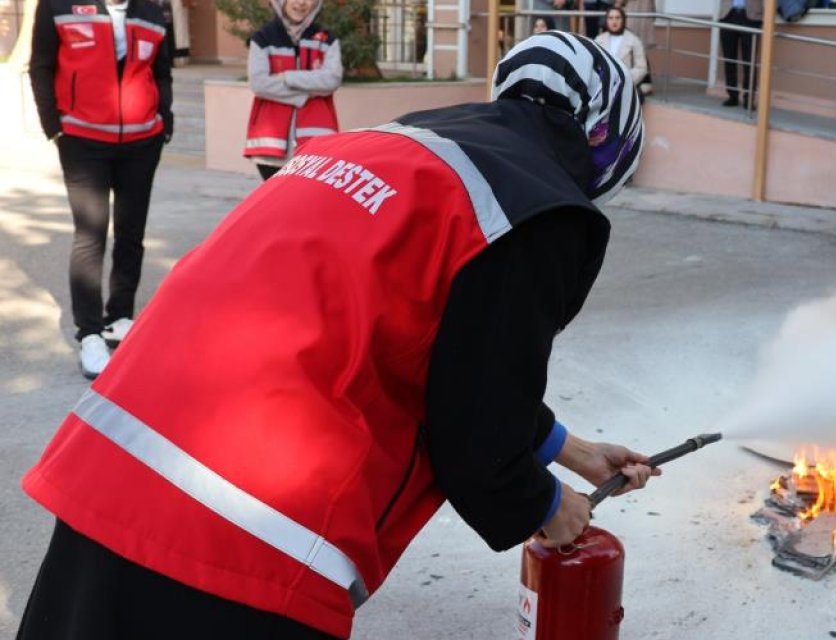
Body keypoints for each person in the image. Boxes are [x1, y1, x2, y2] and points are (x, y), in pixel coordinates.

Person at [17, 32, 648, 640]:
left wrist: (571, 449)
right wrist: (545, 505)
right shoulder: (535, 208)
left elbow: (434, 347)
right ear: (606, 143)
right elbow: (477, 426)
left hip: (116, 464)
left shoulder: (389, 145)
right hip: (247, 525)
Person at [28, 0, 173, 379]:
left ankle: (120, 317)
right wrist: (54, 126)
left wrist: (165, 122)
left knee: (131, 233)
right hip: (83, 141)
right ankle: (90, 333)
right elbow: (41, 66)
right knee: (90, 236)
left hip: (143, 142)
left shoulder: (154, 10)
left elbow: (162, 72)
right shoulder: (58, 6)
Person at [245, 0, 343, 181]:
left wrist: (287, 77)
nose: (300, 3)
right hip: (271, 146)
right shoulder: (263, 38)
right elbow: (259, 84)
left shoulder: (327, 39)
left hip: (317, 142)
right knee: (277, 204)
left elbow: (332, 80)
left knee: (309, 203)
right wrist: (307, 93)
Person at [718, 0, 763, 108]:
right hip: (728, 15)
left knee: (749, 61)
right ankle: (732, 96)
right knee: (729, 59)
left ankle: (748, 99)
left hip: (751, 17)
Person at [595, 7, 649, 96]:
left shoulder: (634, 40)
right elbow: (594, 64)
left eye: (617, 18)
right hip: (602, 85)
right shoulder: (599, 39)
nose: (614, 21)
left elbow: (641, 68)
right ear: (606, 21)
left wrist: (624, 80)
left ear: (623, 20)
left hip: (626, 86)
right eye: (611, 18)